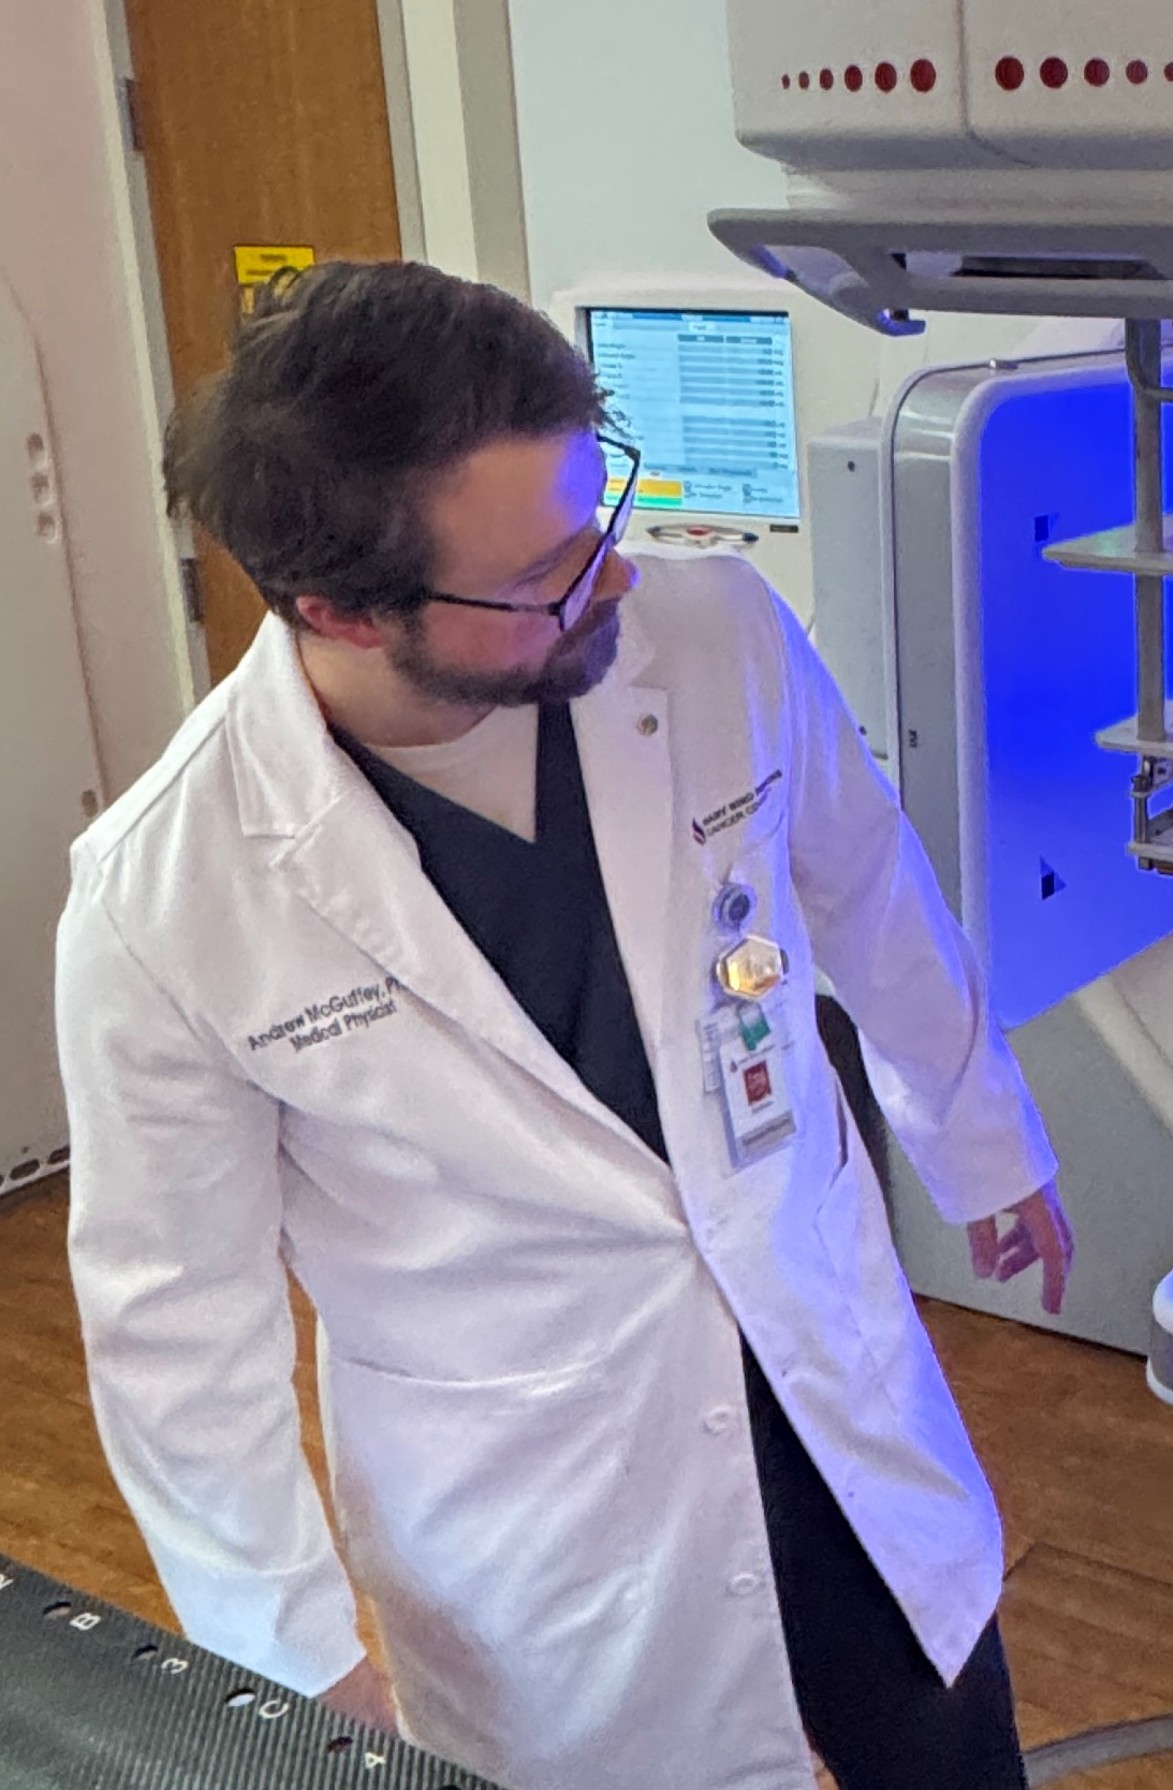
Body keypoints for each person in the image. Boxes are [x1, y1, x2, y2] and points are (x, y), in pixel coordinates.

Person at [55, 260, 1073, 1790]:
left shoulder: (713, 634)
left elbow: (869, 886)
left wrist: (979, 1136)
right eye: (544, 572)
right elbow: (176, 1326)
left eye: (604, 512)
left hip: (820, 1372)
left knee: (942, 1739)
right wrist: (291, 1669)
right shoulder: (168, 892)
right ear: (336, 605)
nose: (612, 579)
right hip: (544, 1497)